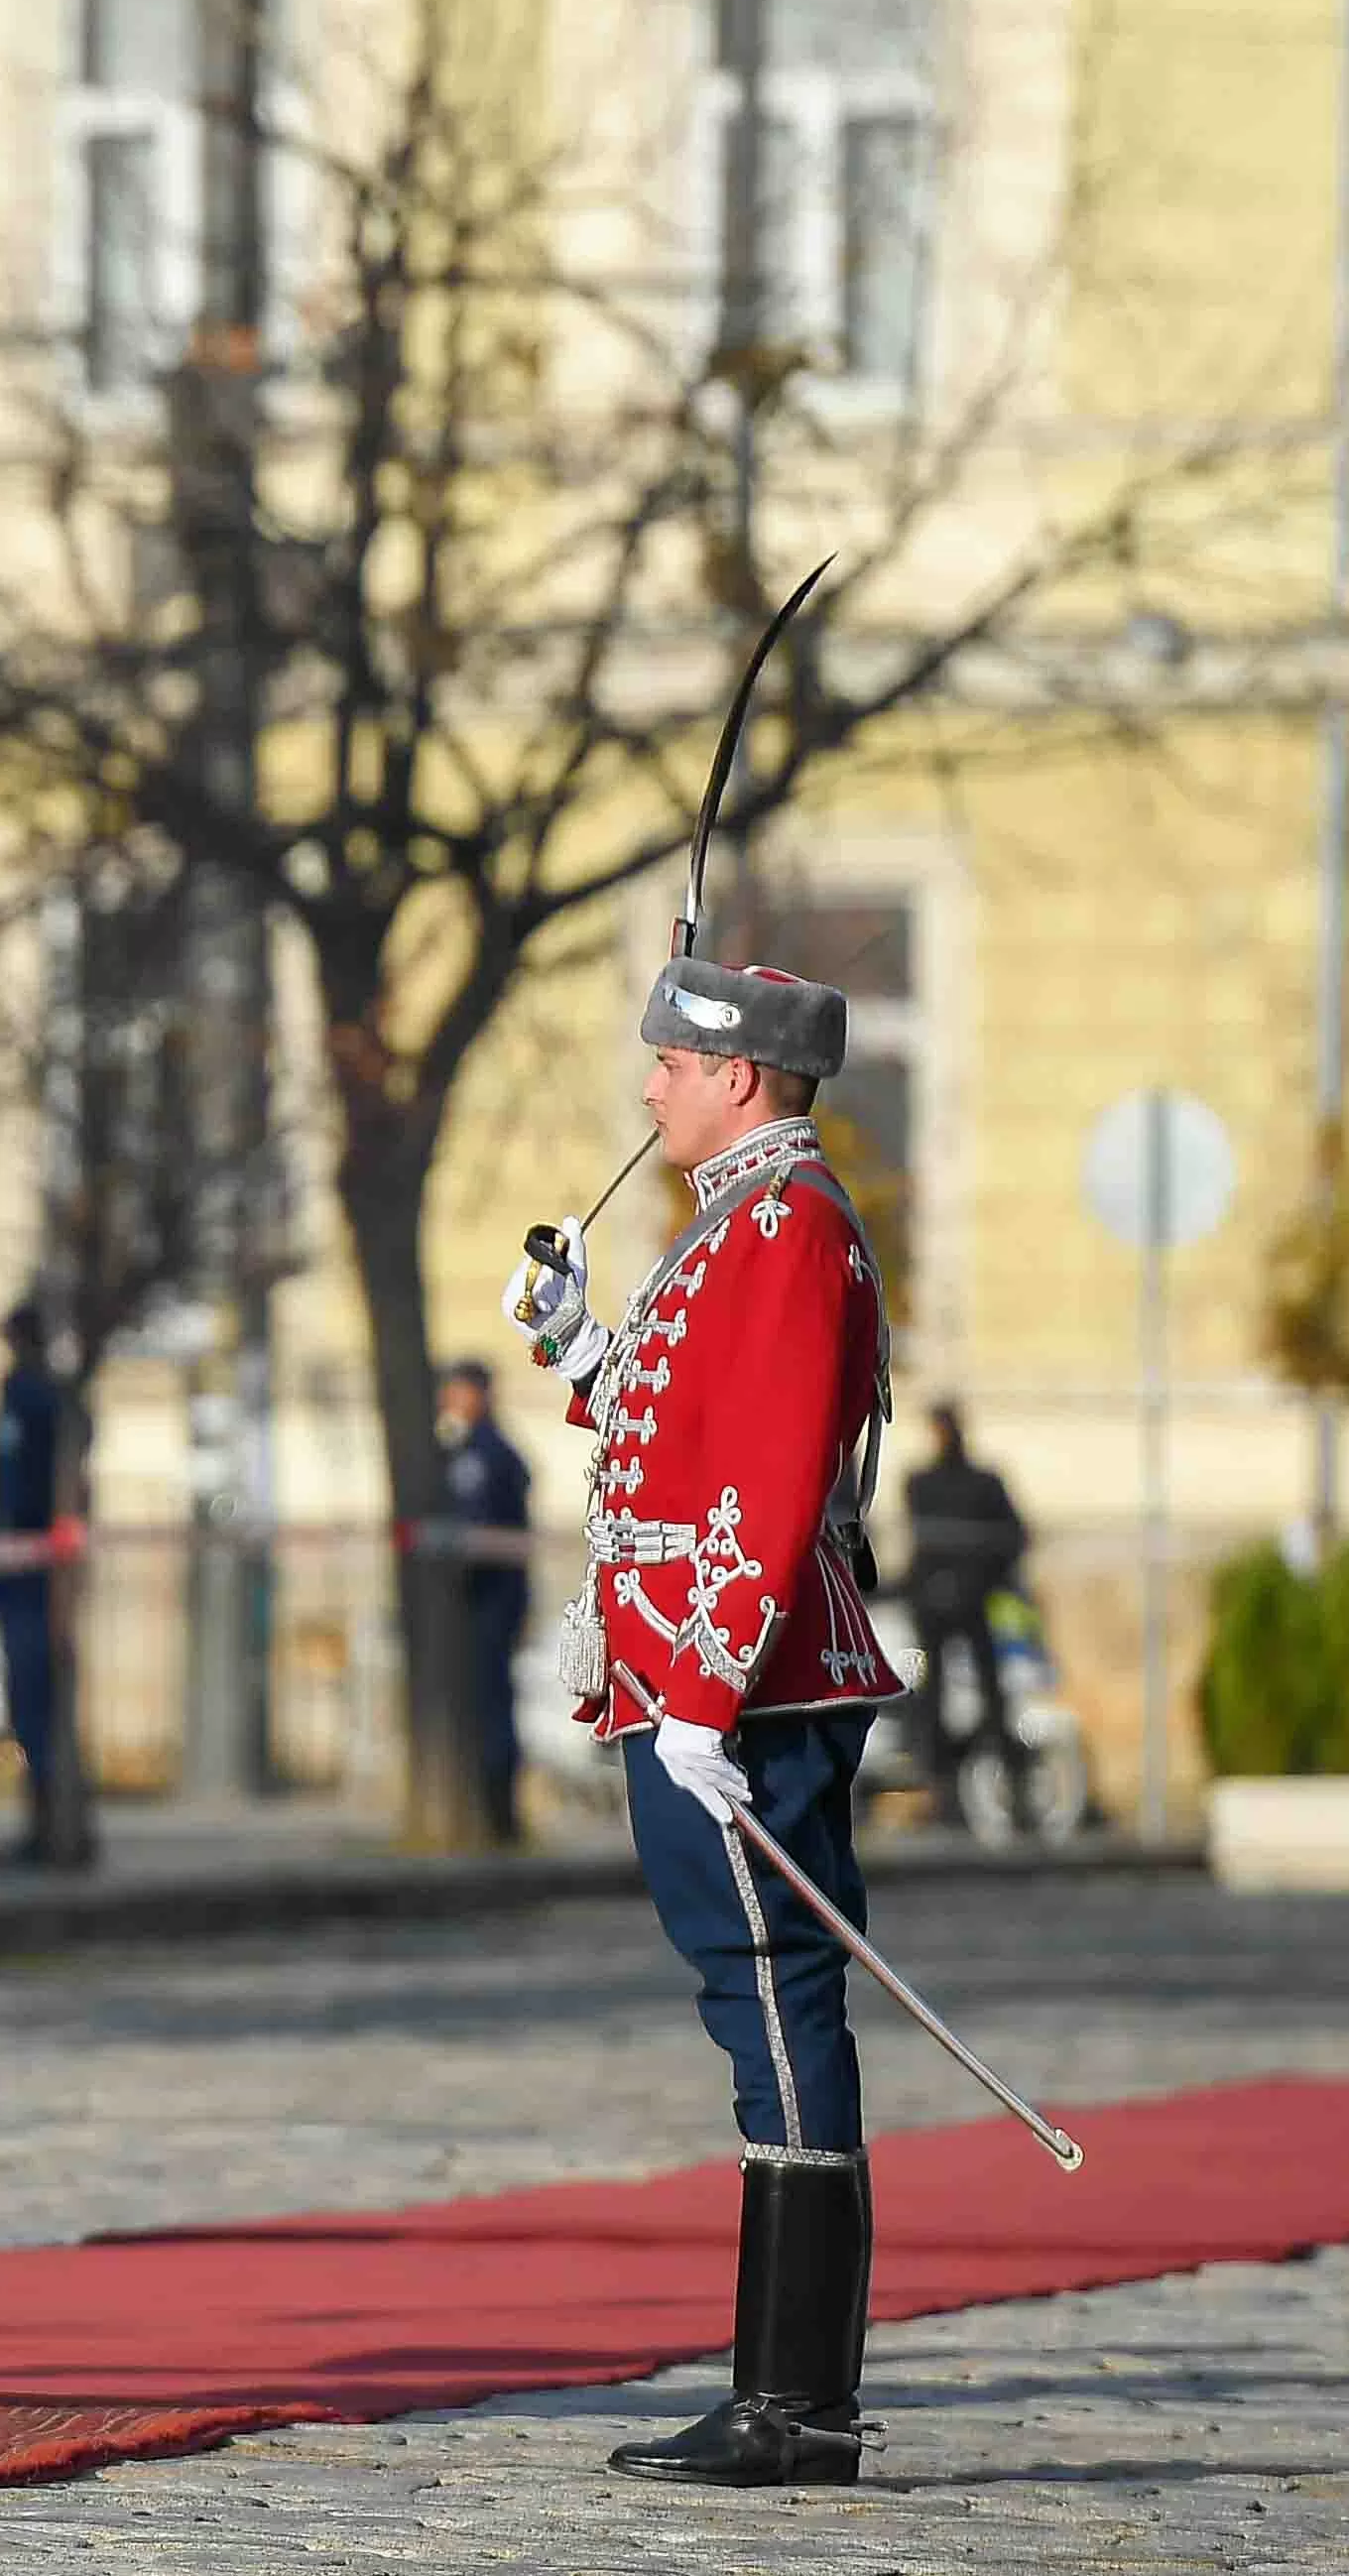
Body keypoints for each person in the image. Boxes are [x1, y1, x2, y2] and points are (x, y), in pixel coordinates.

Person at [508, 954, 904, 2491]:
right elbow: (677, 1431)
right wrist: (575, 1345)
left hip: (740, 1681)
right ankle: (778, 2396)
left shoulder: (787, 1227)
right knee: (748, 2000)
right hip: (694, 1672)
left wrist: (700, 1692)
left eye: (670, 1060)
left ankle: (793, 2405)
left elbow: (769, 1468)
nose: (651, 1083)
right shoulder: (731, 1224)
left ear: (739, 1077)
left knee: (771, 1993)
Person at [0, 1301, 73, 1864]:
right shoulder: (37, 1396)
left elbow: (16, 1491)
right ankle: (44, 1823)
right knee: (29, 1699)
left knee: (35, 1699)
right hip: (24, 1568)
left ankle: (49, 1827)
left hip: (34, 1572)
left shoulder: (32, 1399)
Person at [900, 1404, 1030, 1786]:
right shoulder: (921, 1483)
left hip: (971, 1600)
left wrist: (980, 1578)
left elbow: (1011, 1537)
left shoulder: (982, 1483)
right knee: (930, 1685)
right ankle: (933, 1763)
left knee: (990, 1687)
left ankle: (1003, 1758)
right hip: (936, 1602)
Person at [435, 1359, 533, 1846]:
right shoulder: (468, 1451)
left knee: (493, 1705)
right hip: (483, 1599)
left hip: (491, 1599)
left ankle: (501, 1818)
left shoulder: (487, 1455)